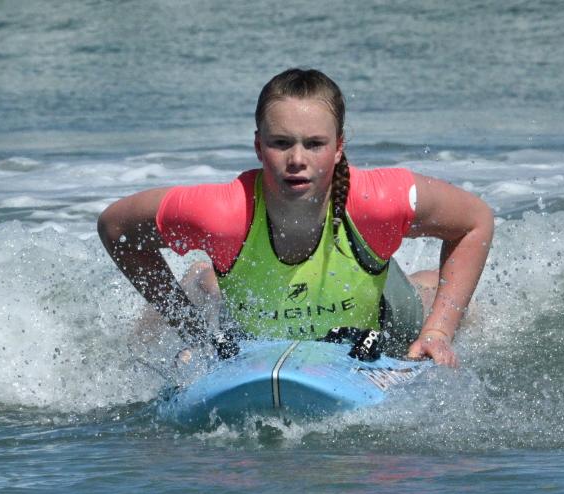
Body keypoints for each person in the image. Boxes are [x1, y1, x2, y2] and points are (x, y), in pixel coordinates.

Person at [98, 68, 494, 368]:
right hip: (259, 313)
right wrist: (187, 327)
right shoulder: (222, 212)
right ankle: (204, 275)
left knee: (424, 297)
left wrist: (439, 331)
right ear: (258, 145)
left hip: (383, 318)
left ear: (339, 148)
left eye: (315, 144)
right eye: (281, 143)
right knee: (212, 288)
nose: (297, 160)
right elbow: (115, 228)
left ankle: (423, 286)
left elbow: (474, 221)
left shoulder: (377, 200)